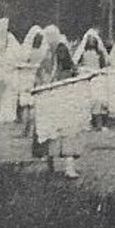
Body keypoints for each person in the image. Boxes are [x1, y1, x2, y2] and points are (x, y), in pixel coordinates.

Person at [30, 28, 87, 180]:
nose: (61, 55)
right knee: (52, 137)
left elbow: (79, 82)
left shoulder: (71, 68)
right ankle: (50, 166)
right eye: (58, 52)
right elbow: (40, 83)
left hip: (68, 105)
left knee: (69, 135)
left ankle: (69, 168)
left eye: (63, 52)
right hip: (53, 105)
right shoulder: (46, 66)